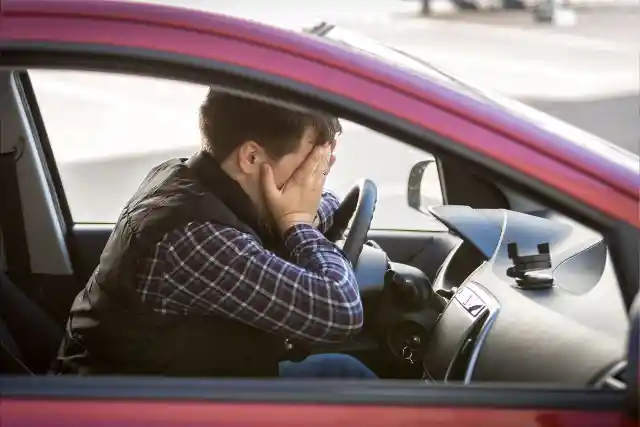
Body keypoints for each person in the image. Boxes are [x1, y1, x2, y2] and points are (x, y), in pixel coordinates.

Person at [52, 89, 376, 379]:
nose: (314, 178)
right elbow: (342, 312)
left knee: (346, 373)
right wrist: (298, 224)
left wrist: (301, 214)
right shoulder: (196, 239)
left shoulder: (186, 176)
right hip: (132, 411)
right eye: (309, 163)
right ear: (251, 157)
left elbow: (323, 200)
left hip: (182, 385)